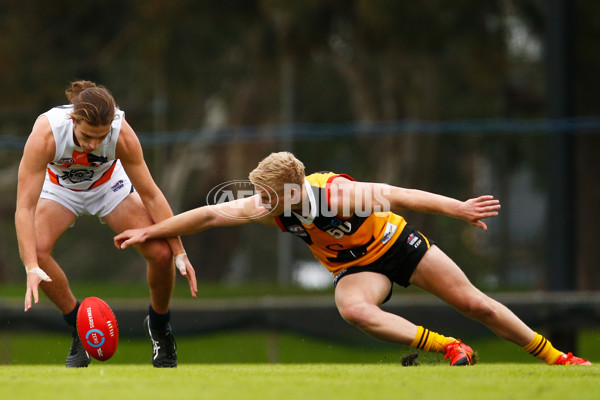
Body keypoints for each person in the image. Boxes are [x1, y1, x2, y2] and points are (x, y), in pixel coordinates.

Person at [114, 151, 591, 366]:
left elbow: (401, 194)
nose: (258, 202)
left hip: (397, 246)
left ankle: (558, 357)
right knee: (354, 309)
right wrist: (151, 230)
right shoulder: (267, 208)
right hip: (355, 269)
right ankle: (448, 347)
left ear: (294, 191)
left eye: (266, 195)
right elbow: (207, 217)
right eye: (256, 193)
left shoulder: (339, 196)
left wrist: (458, 208)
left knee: (477, 305)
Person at [15, 80, 198, 368]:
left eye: (100, 138)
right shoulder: (46, 133)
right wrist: (30, 266)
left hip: (108, 185)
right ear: (73, 119)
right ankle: (79, 328)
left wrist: (180, 252)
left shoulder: (121, 133)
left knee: (161, 253)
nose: (93, 145)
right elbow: (24, 207)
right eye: (87, 136)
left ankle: (160, 326)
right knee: (37, 251)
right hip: (61, 188)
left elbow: (151, 194)